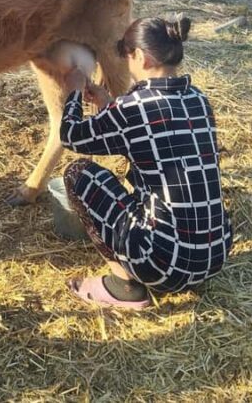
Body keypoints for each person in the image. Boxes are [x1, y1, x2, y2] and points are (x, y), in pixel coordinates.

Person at [60, 16, 232, 309]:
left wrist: (74, 91)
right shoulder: (198, 99)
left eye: (127, 58)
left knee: (78, 173)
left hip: (162, 262)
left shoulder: (133, 107)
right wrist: (106, 104)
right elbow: (150, 141)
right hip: (215, 256)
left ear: (139, 56)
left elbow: (71, 135)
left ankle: (123, 285)